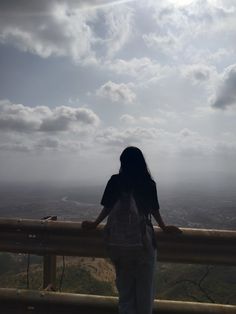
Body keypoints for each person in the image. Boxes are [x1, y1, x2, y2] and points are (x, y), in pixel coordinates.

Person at [82, 146, 181, 314]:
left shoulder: (115, 181)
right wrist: (163, 227)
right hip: (143, 244)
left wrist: (94, 224)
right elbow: (154, 209)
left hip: (119, 246)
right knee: (145, 293)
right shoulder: (148, 183)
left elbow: (107, 207)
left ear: (122, 163)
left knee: (126, 295)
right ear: (142, 162)